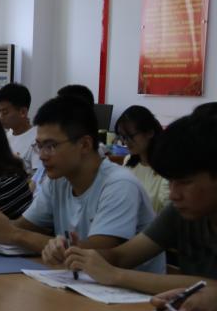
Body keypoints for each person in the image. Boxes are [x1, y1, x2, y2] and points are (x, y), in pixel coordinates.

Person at [0, 96, 165, 274]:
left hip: (132, 297)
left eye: (50, 146)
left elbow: (95, 253)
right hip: (80, 283)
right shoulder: (58, 180)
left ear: (84, 144)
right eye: (39, 146)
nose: (42, 156)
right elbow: (22, 227)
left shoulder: (119, 184)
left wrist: (15, 234)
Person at [64, 109, 215, 295]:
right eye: (170, 181)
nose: (174, 195)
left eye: (185, 182)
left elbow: (212, 288)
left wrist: (117, 275)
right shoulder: (178, 212)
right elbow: (121, 256)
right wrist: (79, 253)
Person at [114, 105, 169, 214]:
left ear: (149, 132)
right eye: (123, 137)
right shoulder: (129, 161)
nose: (125, 142)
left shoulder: (167, 167)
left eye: (130, 136)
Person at [0, 83, 39, 176]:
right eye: (0, 112)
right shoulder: (7, 135)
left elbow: (38, 178)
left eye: (5, 112)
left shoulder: (37, 139)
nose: (0, 117)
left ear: (23, 112)